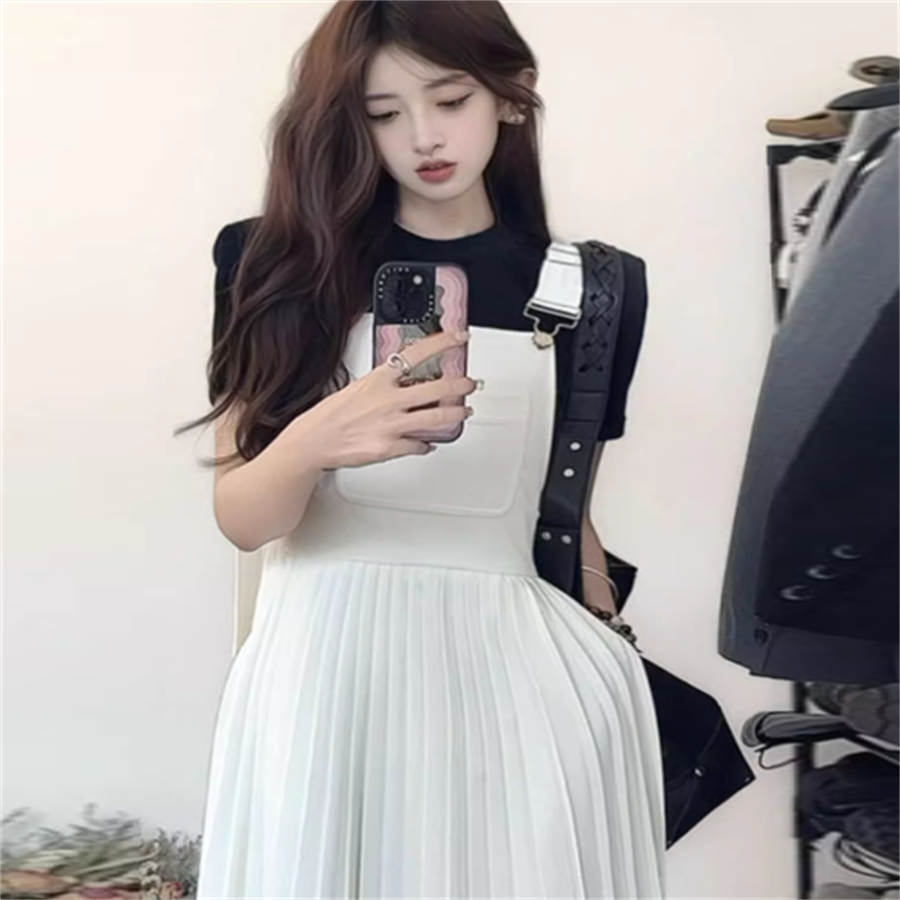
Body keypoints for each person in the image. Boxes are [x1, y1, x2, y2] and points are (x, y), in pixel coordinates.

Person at [179, 0, 666, 896]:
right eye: (383, 113)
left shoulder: (598, 289)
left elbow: (566, 509)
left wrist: (609, 659)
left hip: (519, 677)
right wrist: (319, 439)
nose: (424, 137)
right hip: (326, 675)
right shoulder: (273, 264)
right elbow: (245, 519)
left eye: (450, 99)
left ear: (510, 94)